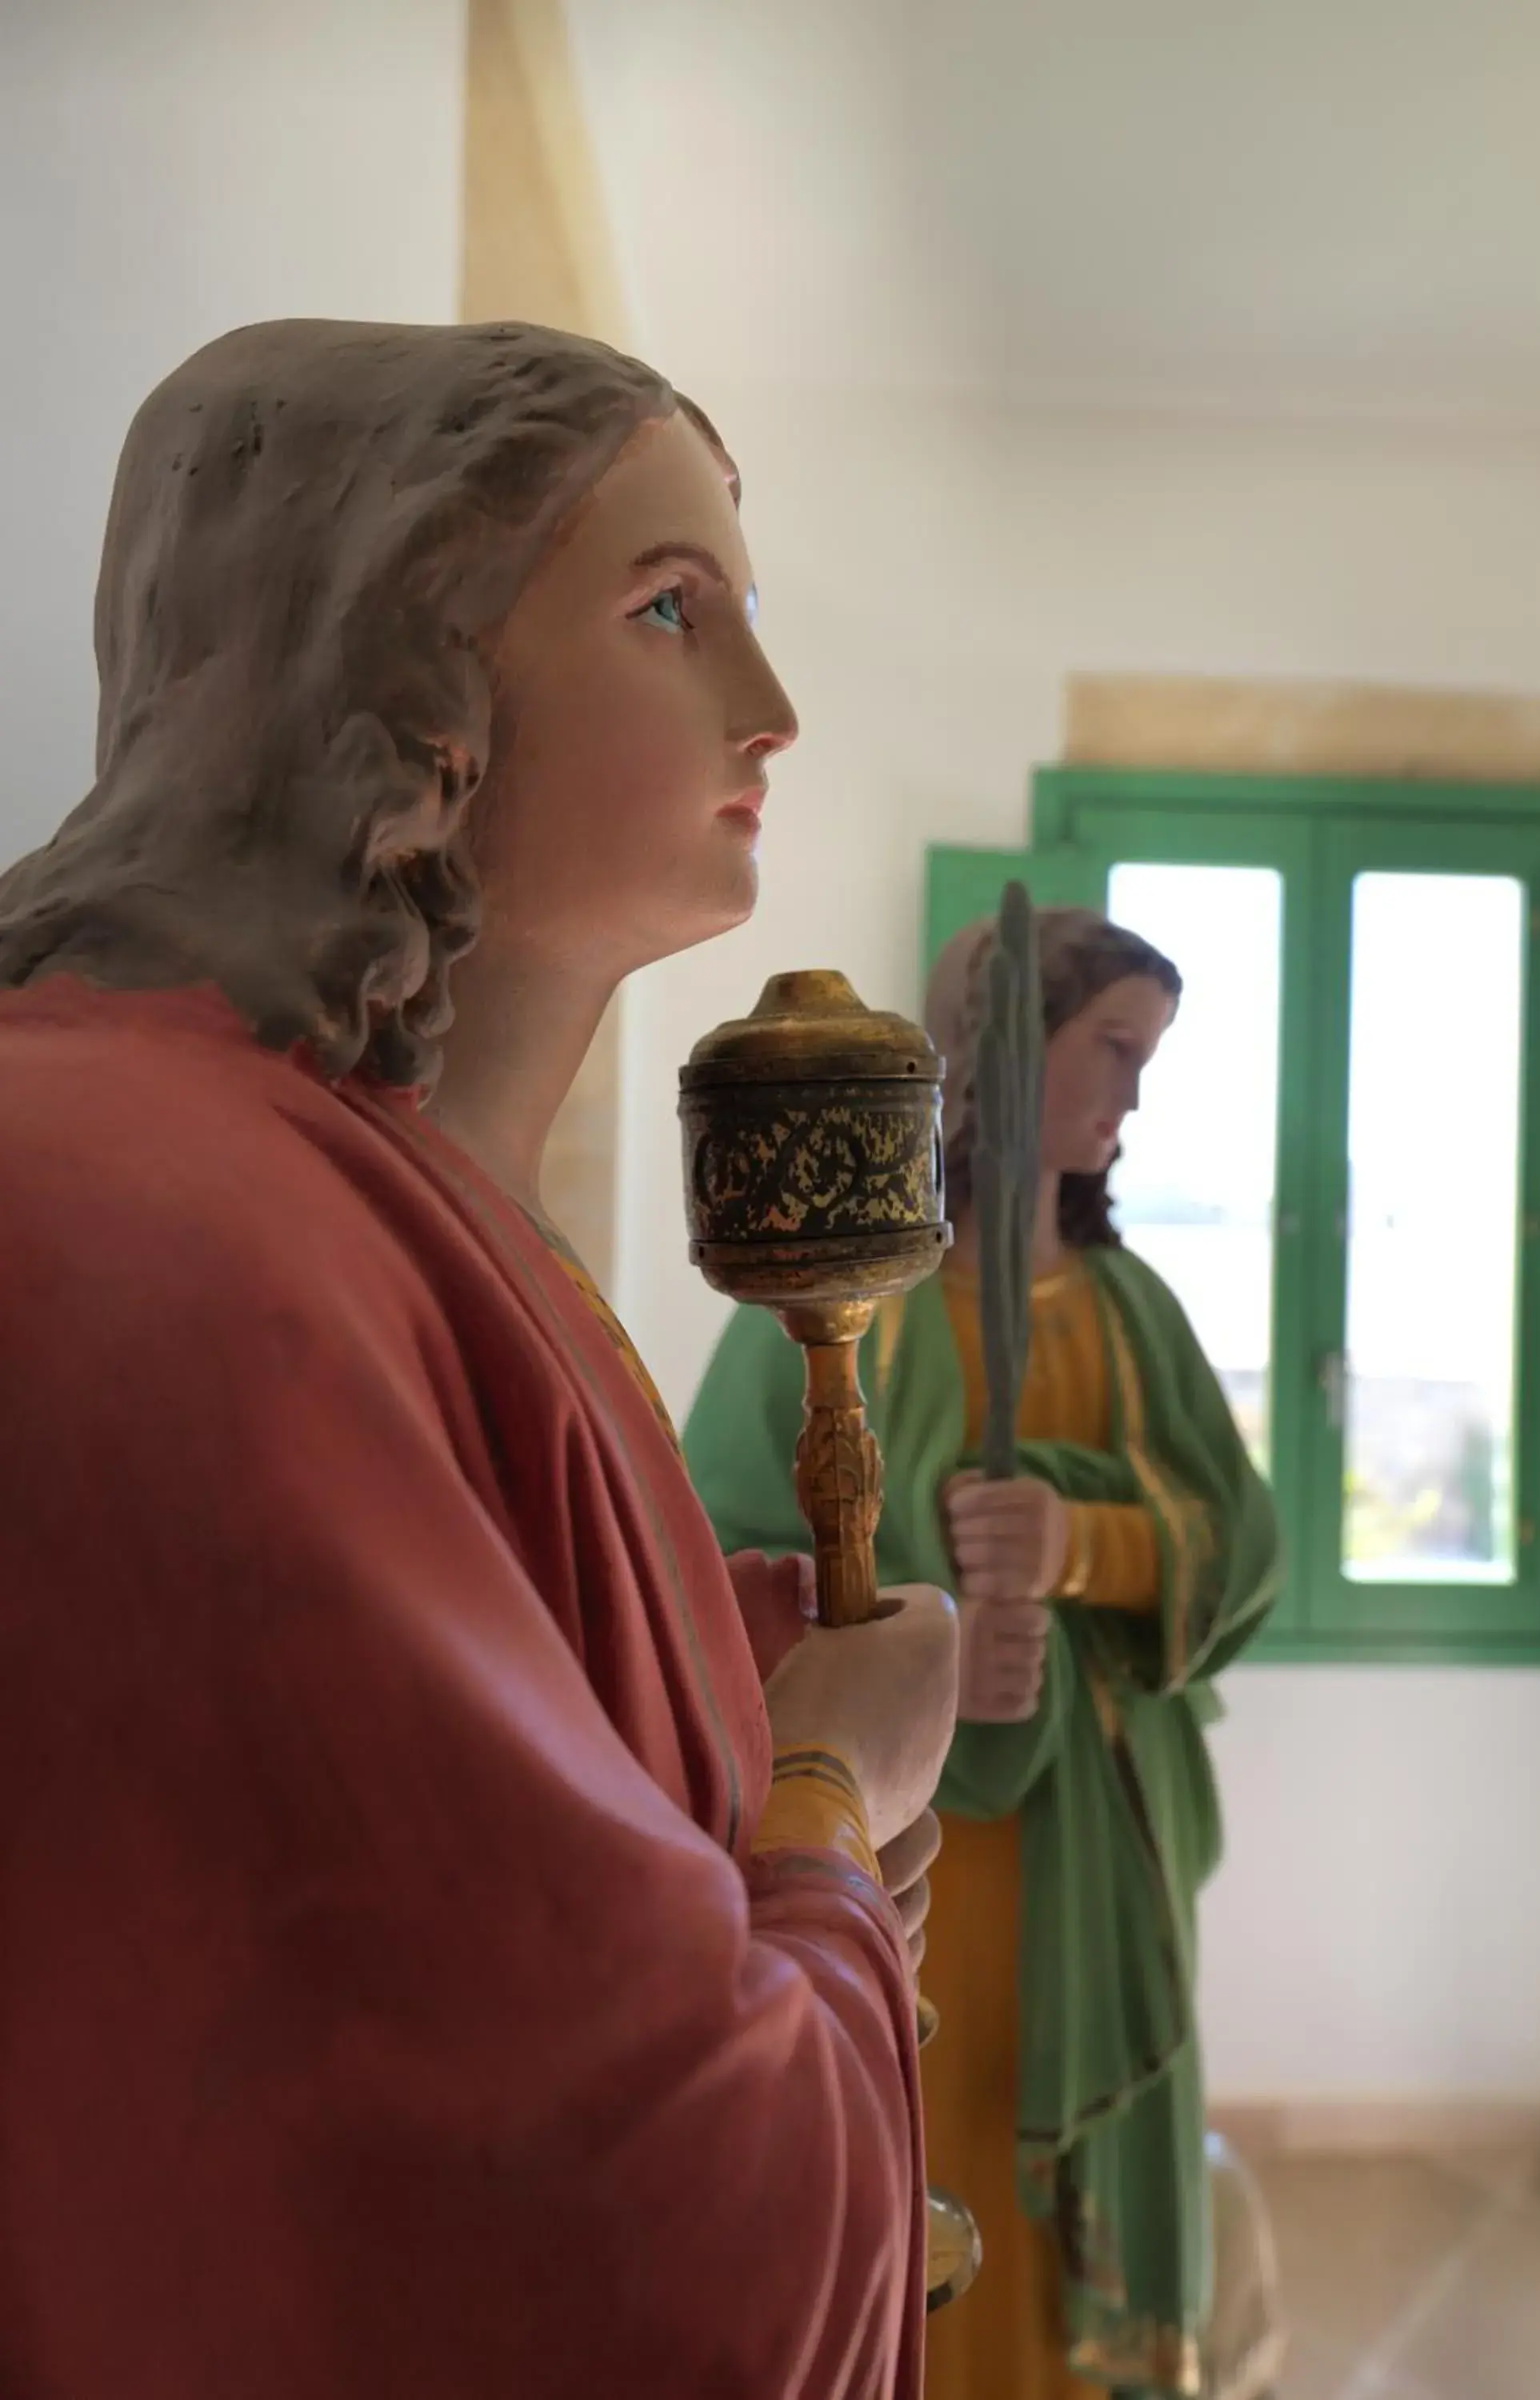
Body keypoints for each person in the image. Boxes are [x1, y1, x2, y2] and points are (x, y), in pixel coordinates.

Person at [0, 318, 960, 2399]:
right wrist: (826, 1786)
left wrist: (758, 1660)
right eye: (668, 610)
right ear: (383, 661)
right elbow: (670, 2250)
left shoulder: (370, 1193)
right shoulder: (171, 1225)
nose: (773, 713)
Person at [686, 910, 1284, 2398]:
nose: (1133, 1100)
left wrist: (1088, 1547)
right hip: (913, 1853)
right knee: (924, 2149)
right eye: (1115, 1053)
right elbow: (713, 1558)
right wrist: (940, 1633)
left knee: (1064, 2188)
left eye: (1149, 1065)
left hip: (1102, 1845)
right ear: (1000, 1059)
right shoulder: (838, 1314)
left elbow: (1247, 1539)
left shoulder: (1132, 1311)